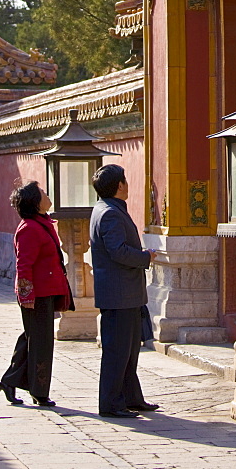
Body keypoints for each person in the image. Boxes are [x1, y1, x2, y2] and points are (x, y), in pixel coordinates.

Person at [89, 163, 159, 418]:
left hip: (124, 293)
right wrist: (145, 257)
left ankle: (131, 397)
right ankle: (110, 403)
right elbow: (117, 251)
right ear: (119, 185)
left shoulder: (107, 209)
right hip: (119, 294)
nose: (128, 184)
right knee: (118, 352)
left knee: (129, 350)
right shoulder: (110, 213)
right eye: (125, 180)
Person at [0, 180, 72, 408]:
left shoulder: (42, 224)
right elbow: (24, 265)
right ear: (35, 202)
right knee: (40, 342)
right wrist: (27, 296)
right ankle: (39, 391)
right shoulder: (29, 228)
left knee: (33, 338)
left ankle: (10, 381)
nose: (47, 195)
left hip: (46, 291)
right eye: (43, 193)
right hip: (37, 295)